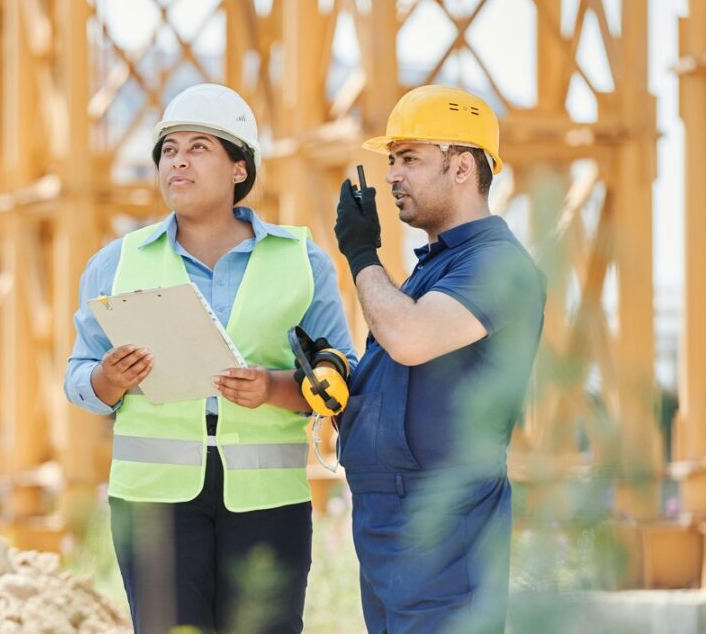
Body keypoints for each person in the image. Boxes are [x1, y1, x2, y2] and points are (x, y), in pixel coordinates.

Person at [64, 83, 356, 633]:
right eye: (169, 150)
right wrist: (107, 379)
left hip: (268, 500)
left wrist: (273, 387)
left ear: (239, 168)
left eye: (198, 148)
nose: (178, 161)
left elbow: (342, 373)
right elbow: (78, 377)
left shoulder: (300, 261)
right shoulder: (115, 263)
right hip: (152, 503)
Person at [332, 85, 546, 633]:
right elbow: (403, 373)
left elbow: (409, 337)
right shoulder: (434, 270)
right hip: (390, 527)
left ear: (462, 166)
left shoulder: (498, 266)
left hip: (445, 532)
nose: (392, 175)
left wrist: (361, 253)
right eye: (391, 161)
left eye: (410, 159)